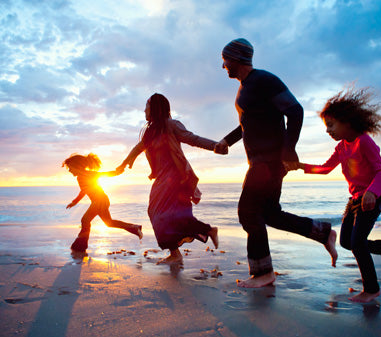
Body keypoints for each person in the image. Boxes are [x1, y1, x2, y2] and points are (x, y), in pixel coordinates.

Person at [214, 38, 337, 288]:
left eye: (225, 60)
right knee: (269, 213)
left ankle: (263, 273)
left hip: (268, 161)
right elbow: (248, 123)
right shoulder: (246, 87)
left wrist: (288, 150)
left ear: (237, 59)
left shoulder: (264, 80)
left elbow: (295, 110)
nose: (223, 65)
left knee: (248, 213)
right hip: (261, 161)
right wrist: (227, 140)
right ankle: (322, 232)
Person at [291, 87, 381, 302]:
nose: (328, 130)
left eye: (331, 125)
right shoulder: (342, 147)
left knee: (358, 243)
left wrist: (372, 193)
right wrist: (301, 166)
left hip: (373, 199)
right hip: (355, 200)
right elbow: (326, 168)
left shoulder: (364, 142)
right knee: (348, 242)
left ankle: (371, 289)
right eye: (326, 127)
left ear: (347, 121)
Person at [117, 93, 220, 265]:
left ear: (155, 108)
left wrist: (215, 146)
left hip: (176, 178)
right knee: (155, 213)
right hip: (161, 179)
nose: (144, 111)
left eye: (146, 107)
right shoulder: (150, 131)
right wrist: (125, 163)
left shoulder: (171, 126)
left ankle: (206, 231)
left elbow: (193, 139)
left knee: (170, 215)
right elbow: (139, 147)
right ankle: (178, 251)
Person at [63, 153, 143, 252]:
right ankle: (135, 228)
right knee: (109, 223)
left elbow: (105, 174)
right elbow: (84, 191)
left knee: (85, 220)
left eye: (70, 168)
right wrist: (74, 202)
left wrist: (118, 171)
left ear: (77, 166)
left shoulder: (89, 174)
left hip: (100, 201)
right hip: (100, 201)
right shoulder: (80, 178)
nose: (69, 170)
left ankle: (80, 246)